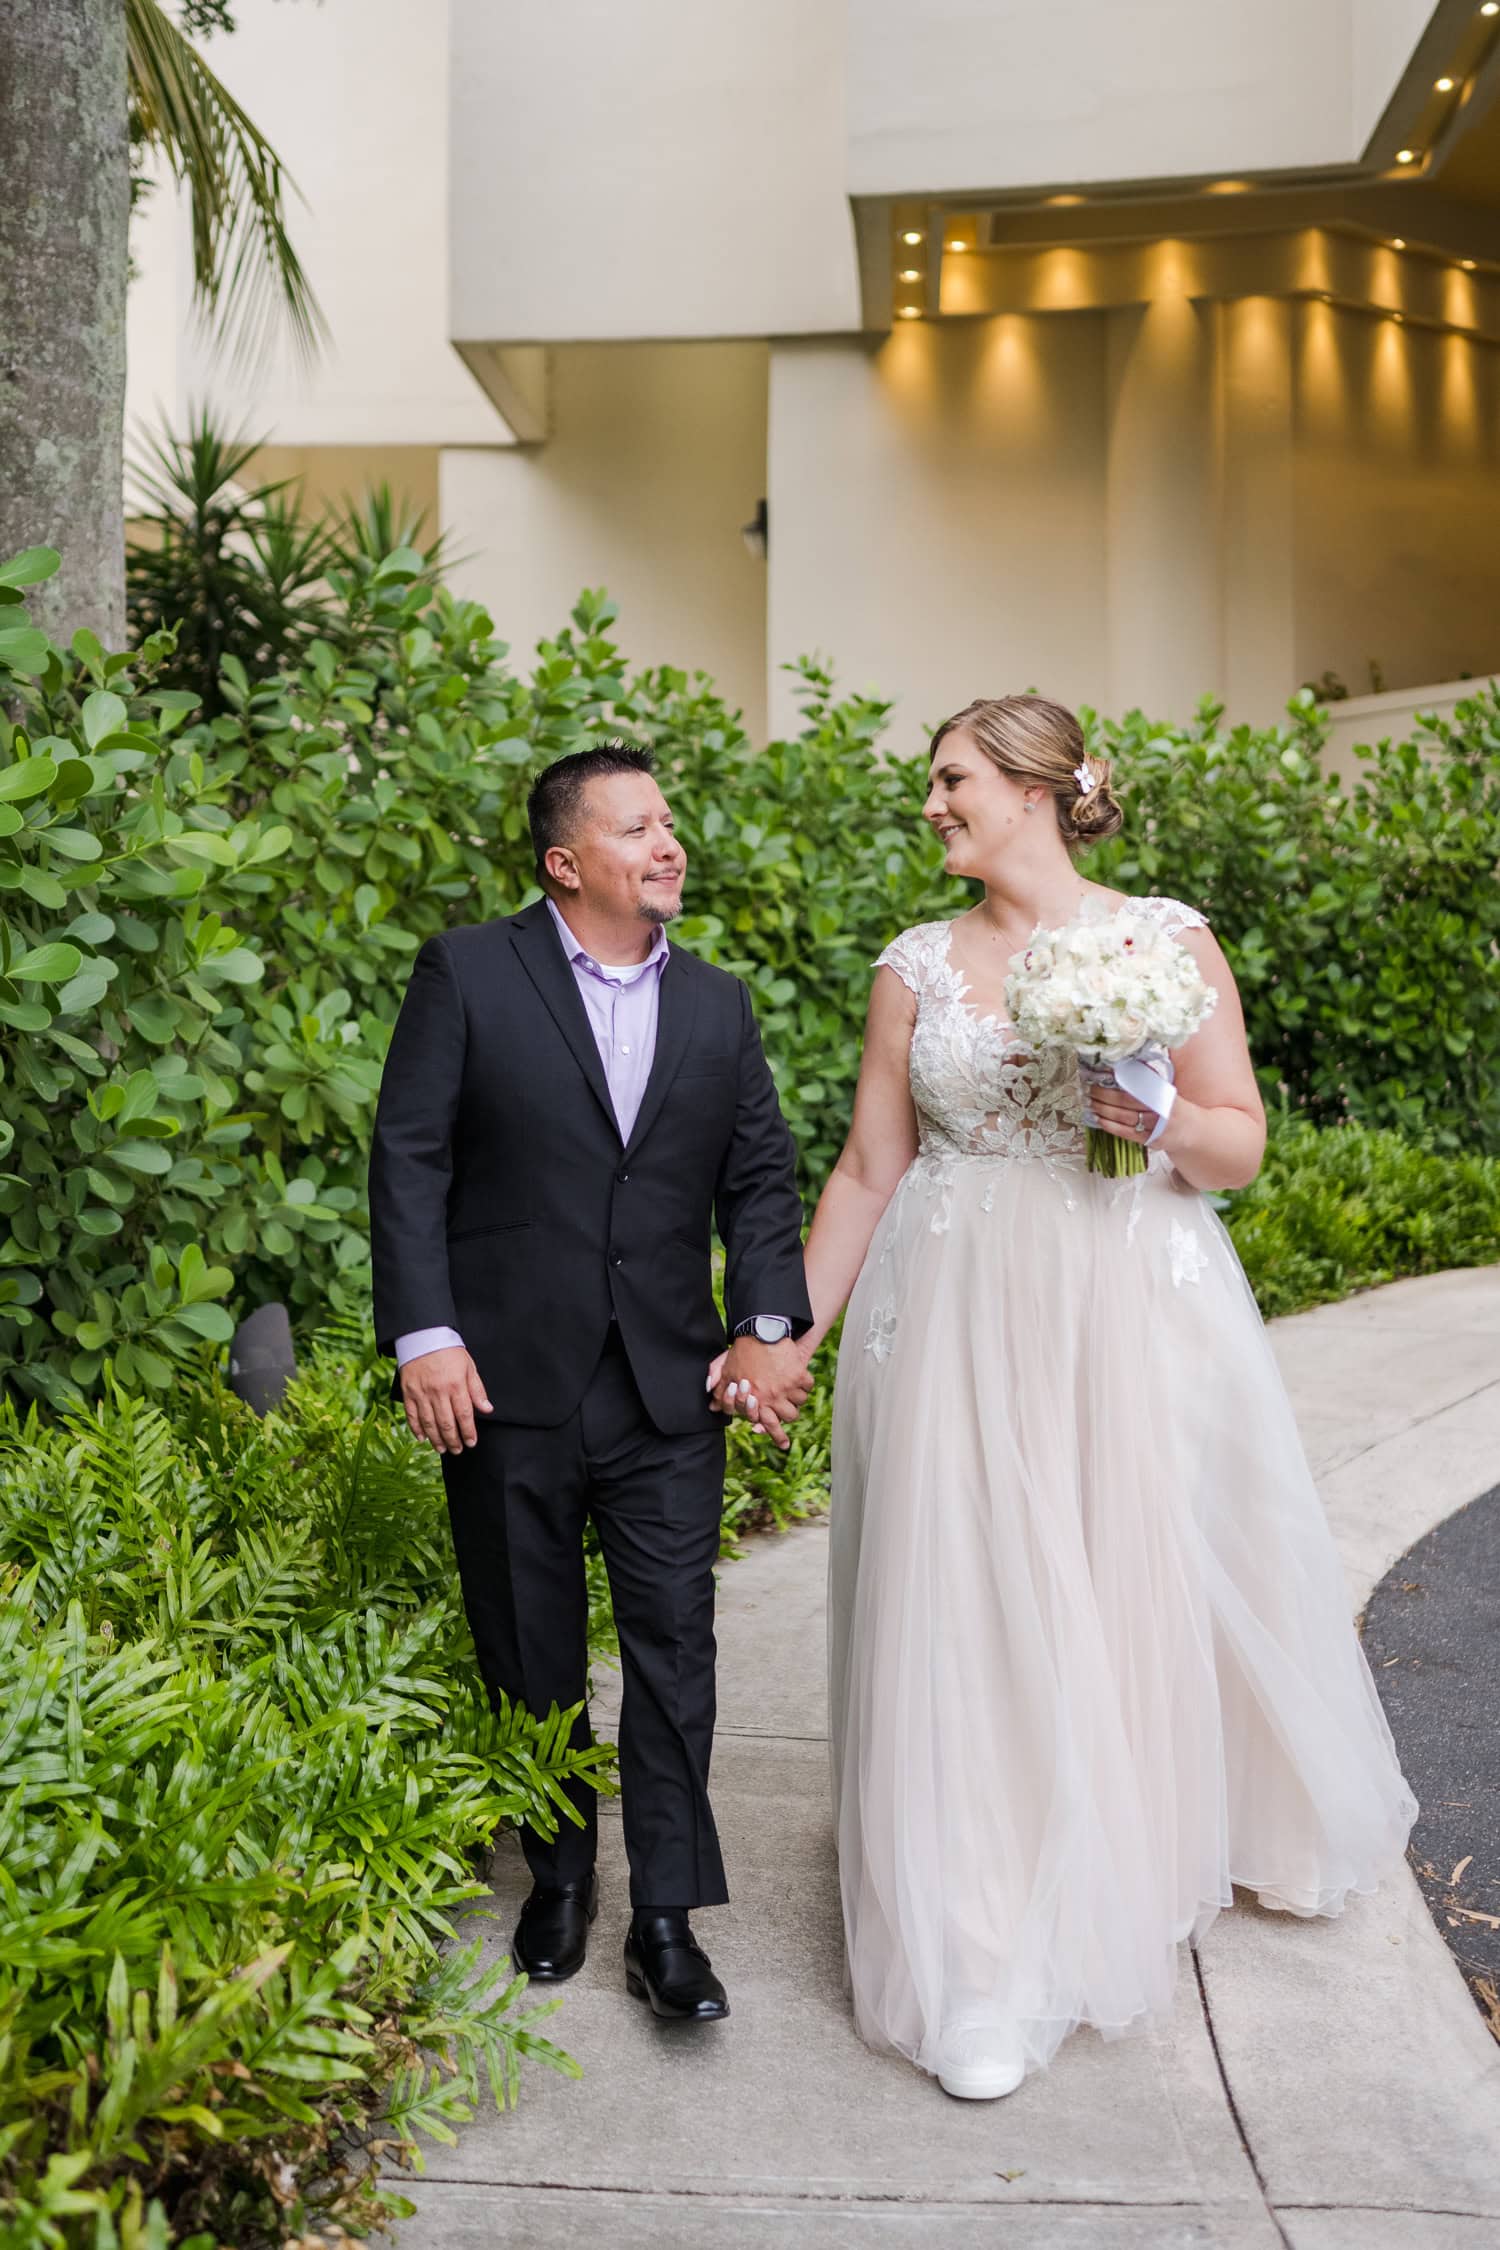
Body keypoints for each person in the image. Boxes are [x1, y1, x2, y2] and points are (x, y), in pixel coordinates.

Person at [766, 694, 1416, 2100]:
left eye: (952, 779)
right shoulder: (914, 968)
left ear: (1036, 787)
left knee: (1115, 1587)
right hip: (949, 1313)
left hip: (1122, 1303)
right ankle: (984, 1944)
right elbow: (870, 1171)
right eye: (933, 783)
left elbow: (1238, 1141)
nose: (931, 802)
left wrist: (1159, 1120)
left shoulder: (1162, 941)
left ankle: (1131, 1846)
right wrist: (788, 1335)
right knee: (969, 1600)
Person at [369, 741, 812, 2023]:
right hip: (503, 1377)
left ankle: (666, 1915)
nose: (668, 844)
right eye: (636, 829)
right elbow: (410, 1164)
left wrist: (766, 1322)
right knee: (529, 1642)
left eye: (669, 822)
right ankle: (558, 1876)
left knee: (678, 1646)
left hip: (668, 1383)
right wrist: (425, 1336)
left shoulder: (720, 1004)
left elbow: (761, 1180)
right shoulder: (467, 972)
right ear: (567, 863)